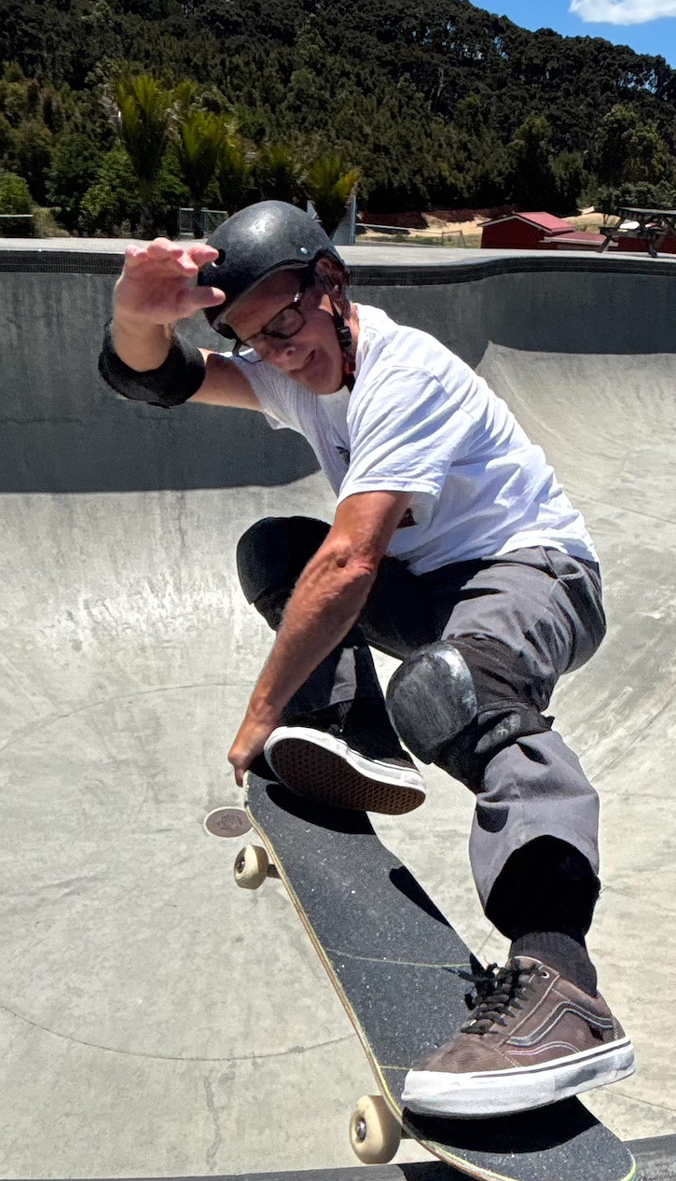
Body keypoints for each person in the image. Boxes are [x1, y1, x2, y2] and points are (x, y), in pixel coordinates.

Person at [98, 200, 635, 1119]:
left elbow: (351, 562)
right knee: (274, 548)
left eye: (288, 322)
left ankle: (562, 986)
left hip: (540, 575)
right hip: (431, 585)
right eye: (253, 339)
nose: (278, 351)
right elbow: (161, 381)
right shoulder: (291, 370)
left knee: (453, 688)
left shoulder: (404, 372)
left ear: (331, 284)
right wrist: (133, 314)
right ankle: (356, 738)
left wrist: (262, 714)